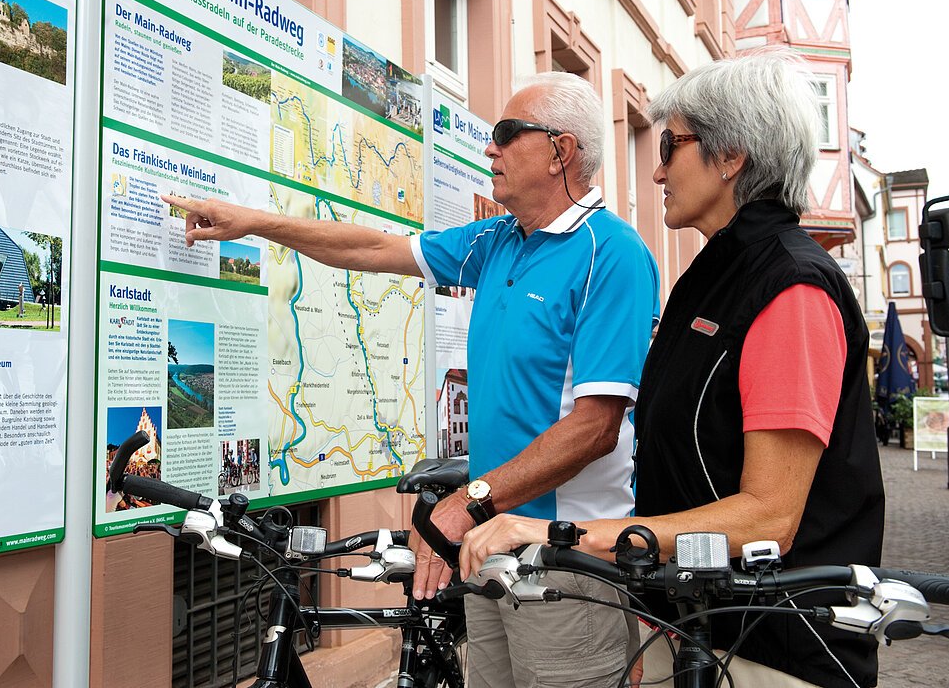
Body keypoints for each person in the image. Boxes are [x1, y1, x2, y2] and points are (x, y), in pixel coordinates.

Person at [164, 72, 660, 688]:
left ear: (561, 151)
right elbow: (372, 249)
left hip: (561, 561)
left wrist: (470, 502)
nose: (489, 150)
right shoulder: (497, 240)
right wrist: (255, 222)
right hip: (488, 546)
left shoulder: (611, 253)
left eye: (506, 134)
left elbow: (595, 429)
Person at [460, 49, 886, 688]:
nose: (656, 171)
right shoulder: (713, 277)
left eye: (671, 145)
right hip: (693, 625)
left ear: (732, 154)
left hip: (768, 645)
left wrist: (566, 533)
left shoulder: (790, 286)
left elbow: (768, 515)